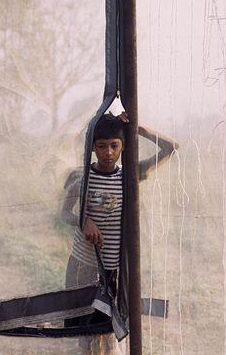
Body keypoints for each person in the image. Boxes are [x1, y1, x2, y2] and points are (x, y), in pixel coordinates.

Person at [62, 112, 176, 292]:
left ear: (123, 146)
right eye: (101, 146)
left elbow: (170, 148)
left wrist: (136, 128)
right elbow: (65, 213)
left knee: (106, 317)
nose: (108, 152)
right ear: (92, 147)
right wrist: (84, 222)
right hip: (81, 262)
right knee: (76, 316)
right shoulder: (81, 177)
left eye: (114, 145)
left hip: (111, 266)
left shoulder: (129, 174)